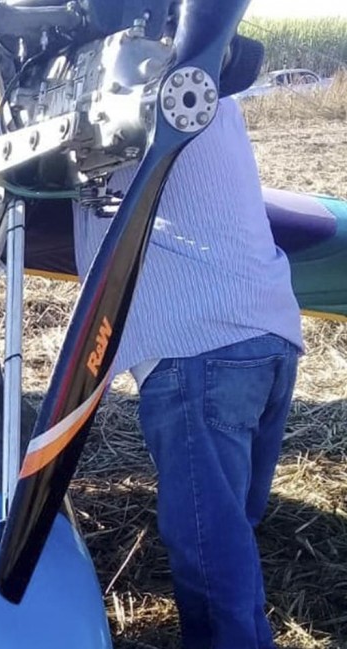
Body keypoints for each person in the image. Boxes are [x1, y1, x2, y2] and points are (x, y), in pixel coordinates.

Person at [72, 98, 301, 648]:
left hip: (197, 349)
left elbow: (7, 143)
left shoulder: (106, 89)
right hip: (269, 332)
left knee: (210, 555)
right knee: (230, 537)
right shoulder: (210, 92)